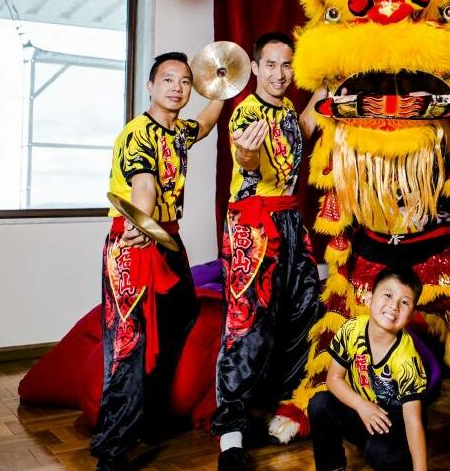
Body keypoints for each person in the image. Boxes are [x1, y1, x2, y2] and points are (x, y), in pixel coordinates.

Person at [92, 51, 225, 471]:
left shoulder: (178, 131)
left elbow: (204, 124)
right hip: (134, 240)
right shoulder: (138, 134)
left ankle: (150, 415)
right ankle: (111, 449)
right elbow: (144, 184)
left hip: (168, 238)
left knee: (181, 312)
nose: (177, 87)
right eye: (168, 79)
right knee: (129, 343)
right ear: (150, 86)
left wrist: (224, 86)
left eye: (185, 81)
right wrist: (141, 220)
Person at [213, 32, 325, 470]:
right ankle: (231, 435)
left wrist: (327, 83)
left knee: (303, 312)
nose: (280, 74)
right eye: (271, 65)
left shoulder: (288, 114)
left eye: (287, 66)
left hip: (292, 222)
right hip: (254, 228)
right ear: (255, 67)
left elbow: (307, 126)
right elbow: (247, 160)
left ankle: (285, 407)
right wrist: (248, 156)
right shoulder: (246, 112)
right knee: (248, 327)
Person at [308, 267, 428, 471]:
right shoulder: (351, 329)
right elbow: (333, 379)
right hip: (364, 411)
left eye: (405, 302)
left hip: (396, 426)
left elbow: (412, 421)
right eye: (388, 295)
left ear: (411, 316)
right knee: (320, 404)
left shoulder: (407, 359)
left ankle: (398, 459)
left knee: (380, 452)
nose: (394, 306)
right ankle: (333, 467)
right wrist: (362, 406)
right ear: (368, 298)